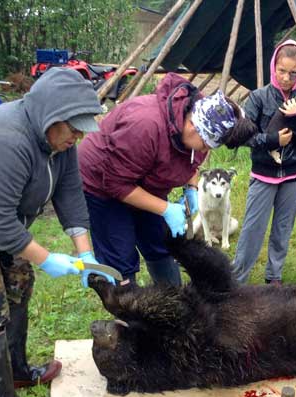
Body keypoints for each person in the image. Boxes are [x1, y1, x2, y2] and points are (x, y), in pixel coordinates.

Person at [0, 68, 114, 397]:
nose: (78, 136)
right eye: (73, 128)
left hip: (0, 219)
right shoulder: (5, 141)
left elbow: (70, 194)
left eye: (82, 129)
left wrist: (85, 254)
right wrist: (48, 257)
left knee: (19, 284)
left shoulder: (59, 143)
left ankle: (20, 370)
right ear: (50, 118)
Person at [78, 73, 256, 288]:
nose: (205, 151)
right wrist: (165, 208)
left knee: (160, 241)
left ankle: (173, 304)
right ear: (193, 126)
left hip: (145, 179)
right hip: (103, 182)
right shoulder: (145, 125)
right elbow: (116, 184)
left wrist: (191, 187)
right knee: (120, 251)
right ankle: (128, 312)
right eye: (205, 145)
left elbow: (191, 159)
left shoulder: (196, 128)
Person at [231, 40, 296, 285]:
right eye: (282, 70)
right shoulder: (258, 98)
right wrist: (272, 140)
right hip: (264, 174)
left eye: (293, 72)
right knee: (252, 229)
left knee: (283, 229)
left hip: (293, 174)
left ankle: (274, 277)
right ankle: (237, 280)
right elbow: (245, 136)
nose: (286, 78)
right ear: (274, 67)